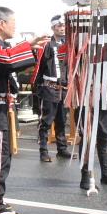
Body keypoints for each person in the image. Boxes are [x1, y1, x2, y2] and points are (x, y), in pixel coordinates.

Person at [0, 6, 47, 214]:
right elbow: (6, 60)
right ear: (1, 24)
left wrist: (28, 47)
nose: (15, 27)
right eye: (13, 23)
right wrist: (27, 46)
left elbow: (10, 60)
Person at [33, 14, 71, 162]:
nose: (62, 28)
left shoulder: (68, 43)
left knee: (61, 120)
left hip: (63, 88)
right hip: (50, 88)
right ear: (53, 28)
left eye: (63, 25)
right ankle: (43, 151)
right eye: (59, 26)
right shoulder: (47, 45)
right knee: (46, 121)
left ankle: (62, 149)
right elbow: (39, 64)